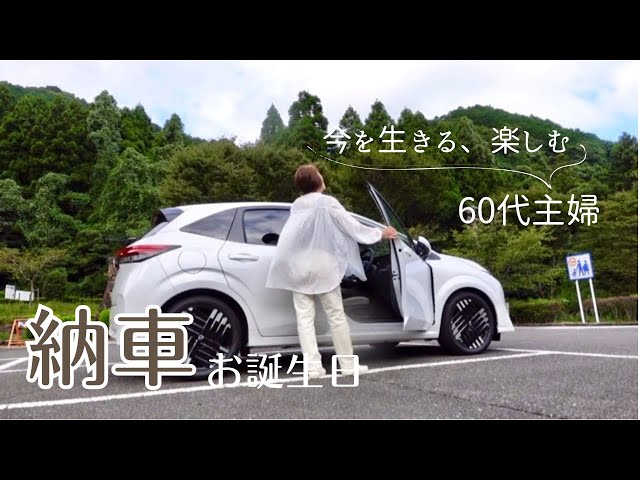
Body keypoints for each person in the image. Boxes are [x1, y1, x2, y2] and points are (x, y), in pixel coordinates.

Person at [266, 164, 398, 377]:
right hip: (323, 266)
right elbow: (351, 226)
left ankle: (313, 368)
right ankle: (347, 365)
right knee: (336, 316)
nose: (322, 175)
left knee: (304, 319)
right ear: (316, 179)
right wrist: (379, 233)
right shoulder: (327, 202)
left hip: (299, 267)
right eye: (319, 173)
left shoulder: (297, 205)